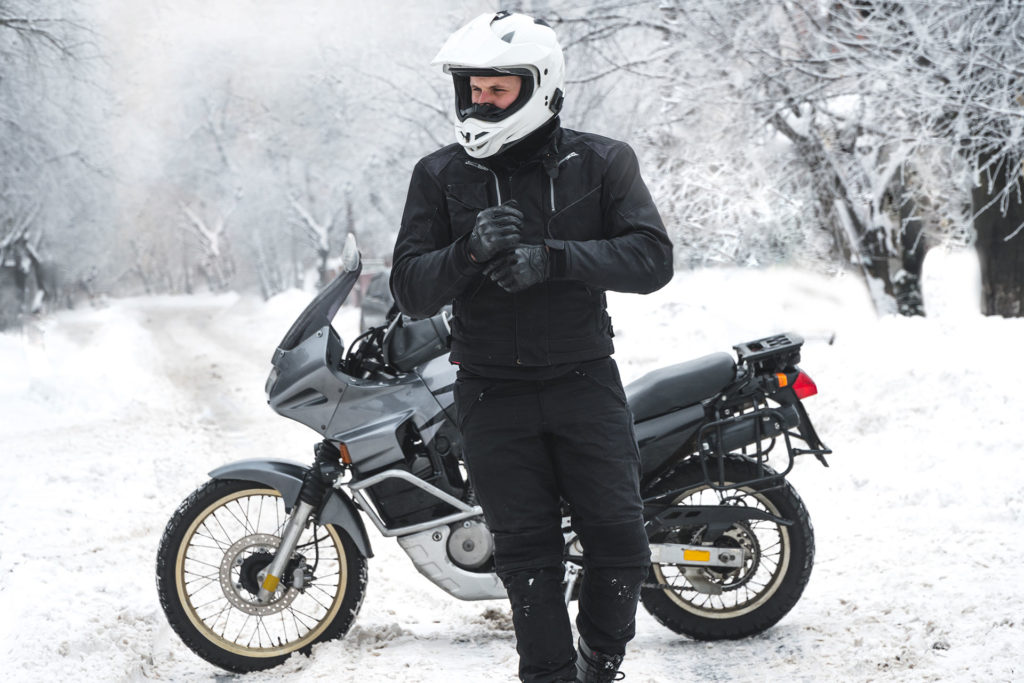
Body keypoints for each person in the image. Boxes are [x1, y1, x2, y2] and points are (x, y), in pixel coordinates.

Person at [390, 11, 673, 683]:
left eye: (498, 90)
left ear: (540, 85)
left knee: (621, 543)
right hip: (491, 392)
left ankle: (600, 659)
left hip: (584, 382)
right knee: (527, 559)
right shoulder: (439, 174)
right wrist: (467, 252)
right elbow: (409, 289)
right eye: (473, 90)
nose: (481, 103)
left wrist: (553, 259)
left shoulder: (602, 161)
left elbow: (652, 259)